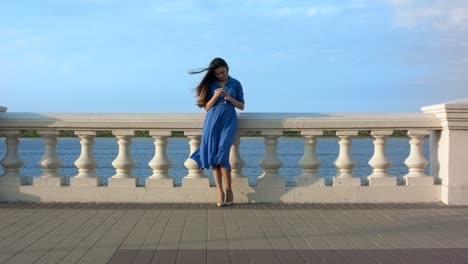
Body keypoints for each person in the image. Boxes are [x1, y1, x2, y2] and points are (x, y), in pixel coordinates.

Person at [189, 58, 245, 207]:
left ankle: (229, 190)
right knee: (214, 156)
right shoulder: (211, 84)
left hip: (228, 121)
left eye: (223, 72)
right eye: (218, 74)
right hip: (212, 121)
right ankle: (219, 192)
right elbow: (207, 107)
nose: (220, 75)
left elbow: (241, 106)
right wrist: (215, 96)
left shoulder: (235, 84)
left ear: (227, 68)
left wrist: (229, 97)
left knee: (222, 154)